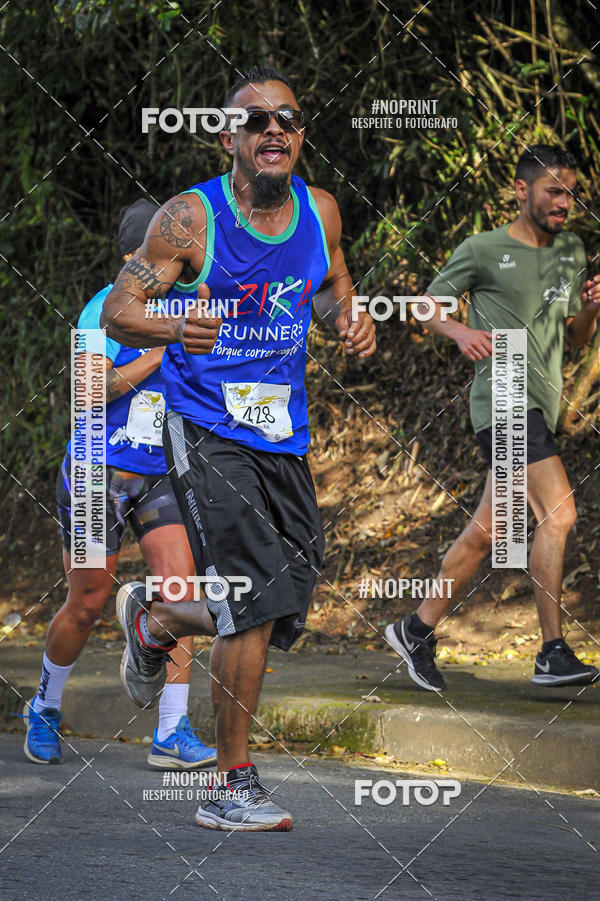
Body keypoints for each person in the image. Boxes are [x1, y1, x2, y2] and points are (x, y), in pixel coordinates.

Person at [101, 66, 376, 831]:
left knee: (284, 595)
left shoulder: (320, 212)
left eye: (286, 118)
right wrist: (173, 327)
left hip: (281, 429)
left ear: (299, 136)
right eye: (255, 121)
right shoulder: (190, 219)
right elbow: (122, 309)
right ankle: (230, 785)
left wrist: (351, 321)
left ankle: (154, 622)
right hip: (205, 426)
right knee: (254, 595)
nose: (273, 130)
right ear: (230, 138)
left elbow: (330, 289)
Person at [385, 144, 600, 692]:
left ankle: (415, 629)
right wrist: (460, 331)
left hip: (540, 405)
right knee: (561, 513)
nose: (564, 201)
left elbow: (575, 339)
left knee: (490, 531)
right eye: (554, 190)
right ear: (520, 190)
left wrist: (592, 310)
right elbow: (426, 305)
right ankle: (552, 651)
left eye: (571, 192)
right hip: (503, 398)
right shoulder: (483, 249)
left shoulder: (572, 249)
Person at [23, 199, 216, 770]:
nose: (174, 266)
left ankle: (171, 730)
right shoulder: (101, 312)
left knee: (181, 596)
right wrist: (159, 355)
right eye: (164, 255)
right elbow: (88, 392)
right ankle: (44, 705)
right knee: (86, 602)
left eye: (180, 256)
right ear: (133, 256)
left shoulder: (188, 306)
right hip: (93, 473)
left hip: (157, 471)